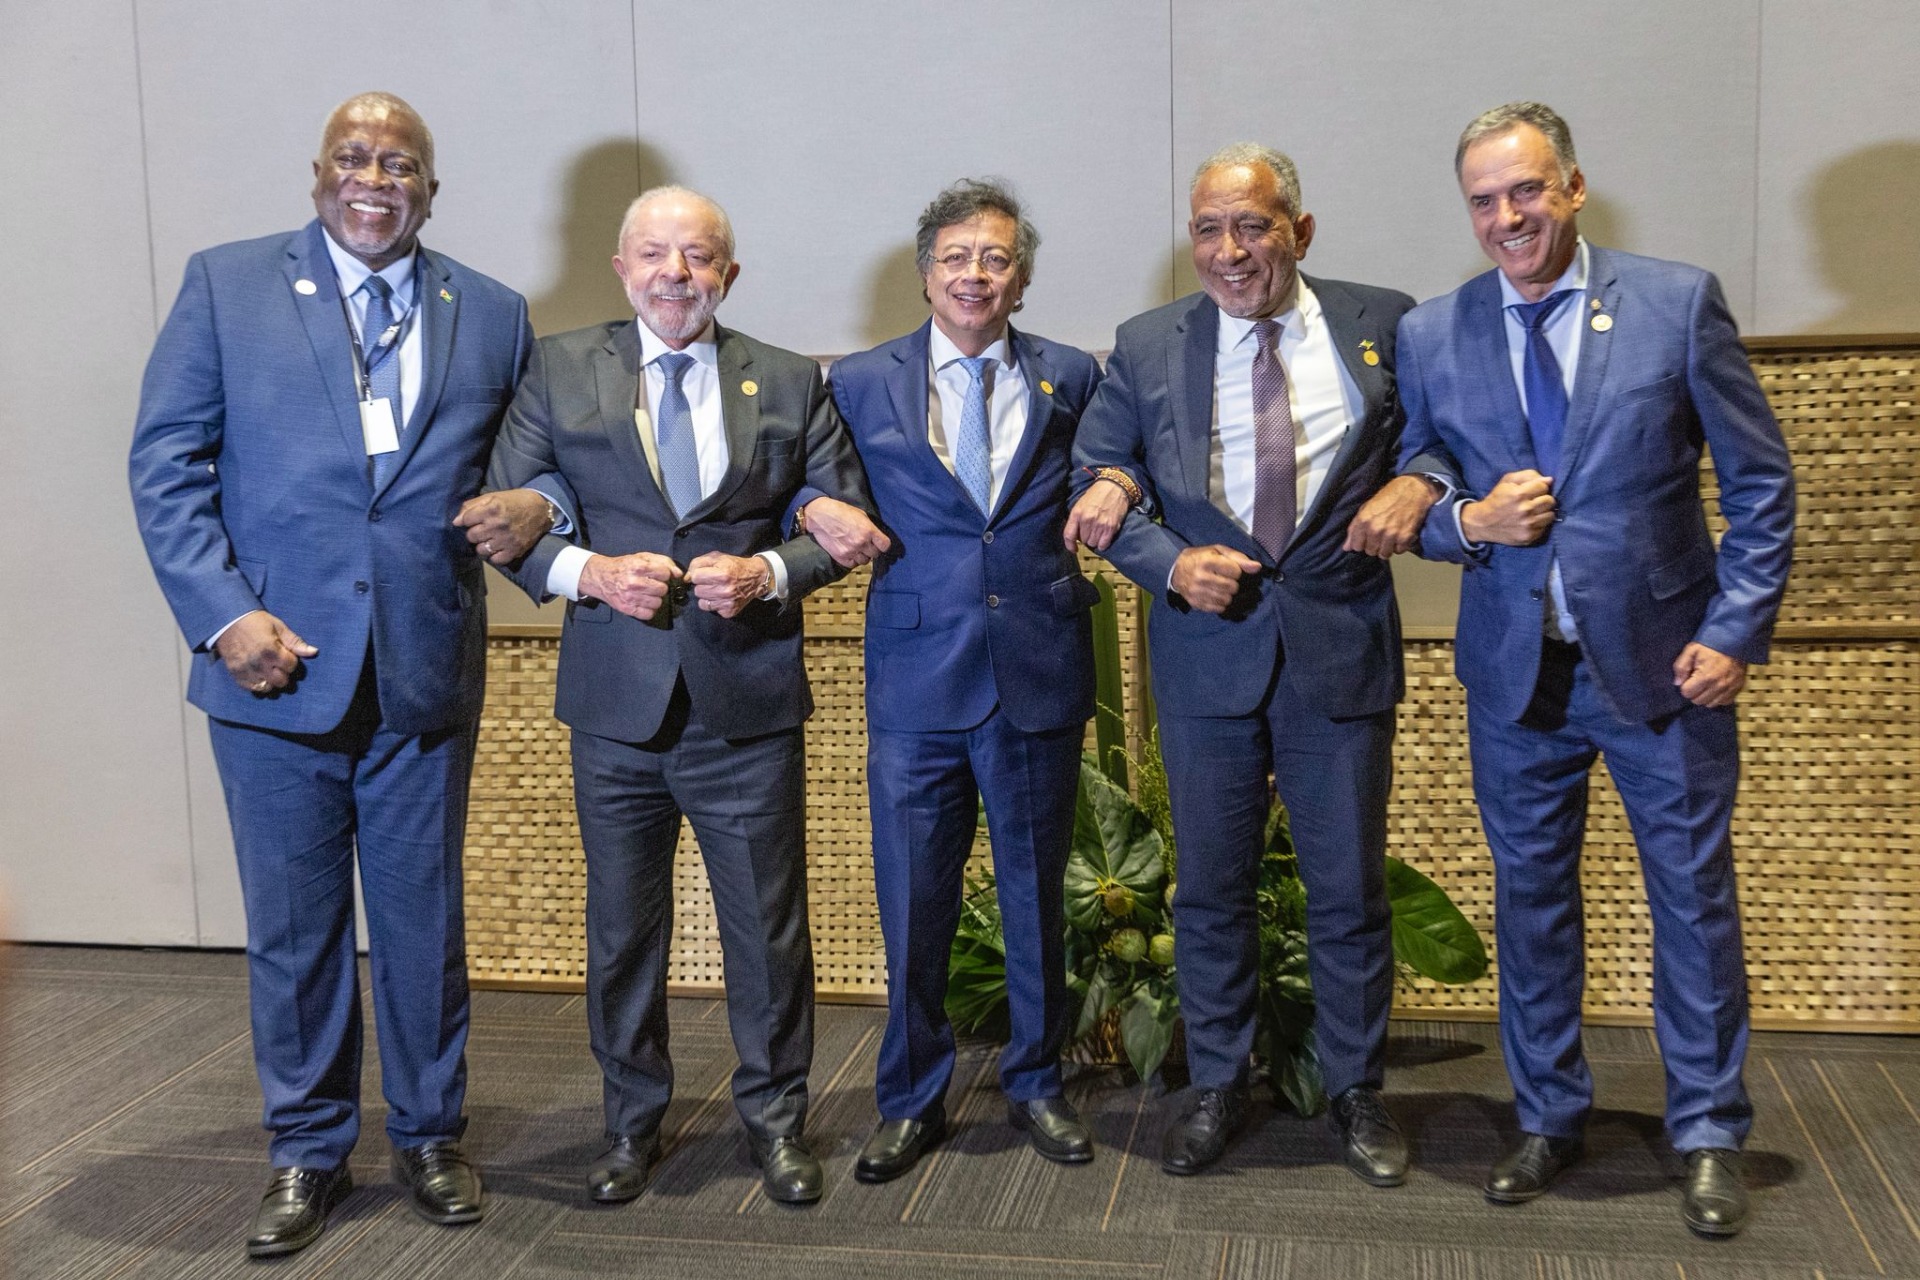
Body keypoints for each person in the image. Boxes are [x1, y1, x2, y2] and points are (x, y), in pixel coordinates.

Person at [128, 92, 549, 1258]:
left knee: (423, 923)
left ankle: (428, 1133)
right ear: (320, 175)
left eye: (401, 163)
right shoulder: (228, 283)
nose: (377, 178)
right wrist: (224, 618)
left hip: (421, 671)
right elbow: (166, 465)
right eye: (356, 159)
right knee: (296, 927)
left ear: (430, 188)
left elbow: (541, 465)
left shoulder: (496, 313)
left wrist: (542, 505)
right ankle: (308, 1148)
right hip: (272, 675)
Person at [1389, 101, 1795, 1237]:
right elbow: (1421, 489)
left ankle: (1709, 1127)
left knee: (1693, 903)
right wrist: (1469, 517)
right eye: (1483, 200)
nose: (1507, 217)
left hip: (1663, 669)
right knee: (1531, 904)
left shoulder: (1673, 302)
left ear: (1571, 187)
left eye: (1526, 191)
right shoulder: (1433, 332)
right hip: (1518, 677)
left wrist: (1735, 627)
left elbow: (1762, 483)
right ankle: (1549, 1113)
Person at [481, 186, 872, 1207]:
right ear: (621, 267)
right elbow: (513, 517)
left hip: (745, 699)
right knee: (622, 932)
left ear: (728, 275)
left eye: (699, 257)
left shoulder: (788, 380)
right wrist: (589, 575)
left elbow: (838, 521)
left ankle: (777, 1121)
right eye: (655, 253)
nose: (677, 274)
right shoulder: (560, 368)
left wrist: (771, 574)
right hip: (617, 703)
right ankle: (629, 1124)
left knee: (768, 930)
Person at [1068, 143, 1436, 1183]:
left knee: (1349, 887)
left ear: (1301, 232)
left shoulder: (1386, 323)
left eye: (1253, 226)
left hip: (1338, 648)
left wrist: (1423, 482)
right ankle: (1216, 1082)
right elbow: (1101, 470)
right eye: (1207, 230)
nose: (1229, 252)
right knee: (1211, 888)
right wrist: (1167, 559)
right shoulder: (1145, 344)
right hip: (1206, 655)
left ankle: (1357, 1088)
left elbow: (1439, 438)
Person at [799, 179, 1106, 1182]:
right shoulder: (857, 380)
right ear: (925, 269)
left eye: (998, 258)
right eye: (957, 257)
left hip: (1038, 670)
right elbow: (801, 474)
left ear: (1020, 276)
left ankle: (1037, 1082)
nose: (977, 274)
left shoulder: (1071, 374)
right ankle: (911, 1096)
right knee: (916, 901)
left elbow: (1115, 467)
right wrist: (809, 505)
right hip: (916, 679)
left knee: (1034, 897)